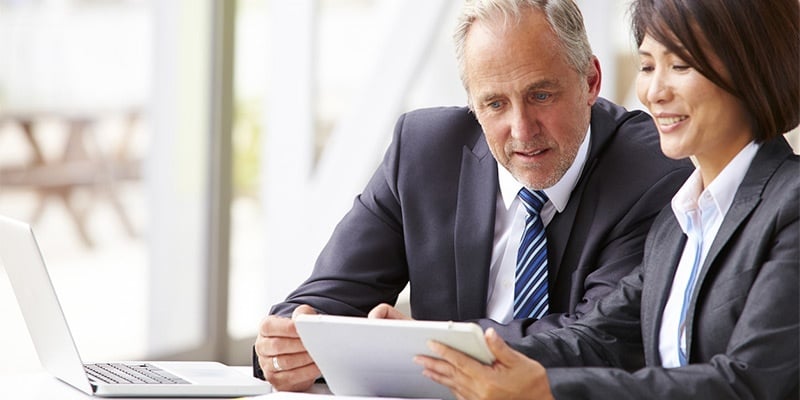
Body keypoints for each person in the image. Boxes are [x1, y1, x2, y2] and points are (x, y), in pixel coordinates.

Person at [254, 0, 693, 391]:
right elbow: (325, 301)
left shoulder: (654, 169)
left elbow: (602, 339)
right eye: (495, 104)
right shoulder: (423, 151)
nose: (522, 130)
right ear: (471, 102)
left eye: (541, 95)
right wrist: (289, 344)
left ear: (590, 81)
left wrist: (429, 347)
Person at [414, 0, 799, 398]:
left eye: (680, 66)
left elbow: (751, 383)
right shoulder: (680, 221)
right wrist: (441, 354)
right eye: (648, 66)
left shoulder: (791, 205)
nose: (655, 92)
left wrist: (549, 390)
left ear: (754, 68)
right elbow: (598, 338)